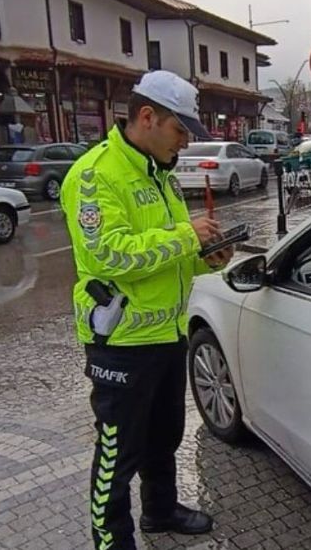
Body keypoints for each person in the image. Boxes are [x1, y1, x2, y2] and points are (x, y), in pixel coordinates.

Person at [60, 69, 232, 550]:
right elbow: (109, 255)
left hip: (166, 334)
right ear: (147, 116)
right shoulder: (95, 176)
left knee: (165, 437)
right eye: (180, 131)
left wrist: (209, 256)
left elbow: (170, 255)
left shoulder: (162, 175)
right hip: (121, 344)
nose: (183, 143)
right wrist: (185, 237)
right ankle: (112, 541)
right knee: (118, 453)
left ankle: (159, 510)